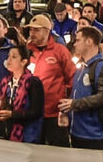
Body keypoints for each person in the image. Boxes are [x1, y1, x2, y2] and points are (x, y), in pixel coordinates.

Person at [59, 26, 103, 150]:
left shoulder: (102, 66)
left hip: (95, 136)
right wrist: (68, 113)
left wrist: (74, 104)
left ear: (89, 41)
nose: (74, 44)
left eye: (78, 40)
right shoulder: (82, 67)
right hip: (78, 132)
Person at [26, 14, 76, 147]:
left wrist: (68, 104)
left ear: (47, 31)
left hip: (54, 112)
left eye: (36, 30)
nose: (32, 33)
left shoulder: (60, 51)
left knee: (59, 150)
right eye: (31, 30)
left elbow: (71, 77)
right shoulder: (27, 50)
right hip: (32, 112)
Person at [0, 45, 44, 142]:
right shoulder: (5, 82)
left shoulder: (33, 83)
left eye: (13, 57)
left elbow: (36, 112)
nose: (8, 60)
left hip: (25, 134)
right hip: (5, 132)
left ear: (23, 62)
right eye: (8, 56)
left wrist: (12, 114)